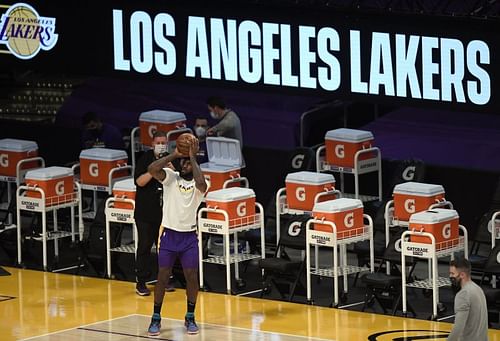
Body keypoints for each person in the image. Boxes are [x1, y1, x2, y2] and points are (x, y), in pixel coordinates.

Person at [146, 136, 208, 336]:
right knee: (162, 276)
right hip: (169, 235)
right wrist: (174, 154)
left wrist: (193, 157)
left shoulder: (200, 185)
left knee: (192, 277)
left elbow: (200, 183)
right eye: (184, 162)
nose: (185, 164)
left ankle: (190, 316)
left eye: (189, 163)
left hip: (189, 237)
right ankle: (156, 317)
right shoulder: (171, 178)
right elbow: (152, 170)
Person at [133, 130, 176, 296]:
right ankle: (141, 282)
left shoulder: (171, 159)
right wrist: (153, 169)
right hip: (145, 212)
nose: (161, 146)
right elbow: (139, 182)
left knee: (165, 247)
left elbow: (177, 180)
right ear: (152, 144)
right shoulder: (145, 159)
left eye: (163, 142)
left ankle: (165, 279)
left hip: (164, 213)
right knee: (144, 246)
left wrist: (171, 167)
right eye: (158, 143)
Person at [447, 257, 488, 341]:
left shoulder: (463, 294)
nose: (450, 276)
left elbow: (458, 327)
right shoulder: (478, 289)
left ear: (462, 275)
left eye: (452, 274)